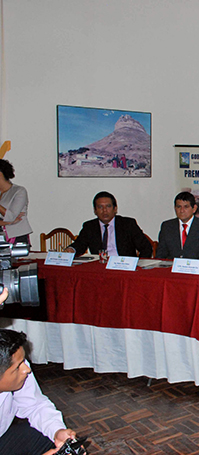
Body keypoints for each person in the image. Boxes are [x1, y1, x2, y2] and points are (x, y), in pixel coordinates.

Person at [0, 295, 78, 454]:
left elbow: (34, 404)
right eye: (18, 367)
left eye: (24, 361)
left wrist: (57, 431)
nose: (26, 369)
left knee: (50, 438)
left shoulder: (17, 367)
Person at [67, 191, 152, 257]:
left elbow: (146, 247)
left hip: (123, 267)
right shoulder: (89, 226)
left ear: (115, 209)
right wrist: (71, 249)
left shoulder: (128, 224)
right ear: (95, 210)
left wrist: (138, 265)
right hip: (99, 267)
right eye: (100, 207)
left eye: (108, 206)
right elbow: (80, 245)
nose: (104, 210)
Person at [156, 192, 199, 261]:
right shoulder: (167, 226)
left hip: (196, 266)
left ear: (194, 208)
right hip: (172, 266)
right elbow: (160, 255)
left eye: (186, 207)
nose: (182, 210)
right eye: (179, 207)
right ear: (175, 208)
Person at [0, 159, 32, 245]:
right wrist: (6, 222)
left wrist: (9, 221)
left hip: (16, 236)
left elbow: (11, 217)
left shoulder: (19, 191)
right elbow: (11, 219)